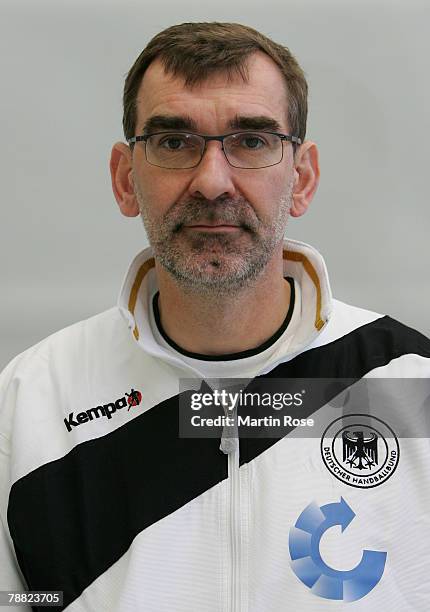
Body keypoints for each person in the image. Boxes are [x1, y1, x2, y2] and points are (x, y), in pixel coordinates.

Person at [1, 21, 429, 612]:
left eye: (251, 142)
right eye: (174, 142)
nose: (211, 181)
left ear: (300, 179)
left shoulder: (410, 383)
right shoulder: (27, 403)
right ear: (127, 179)